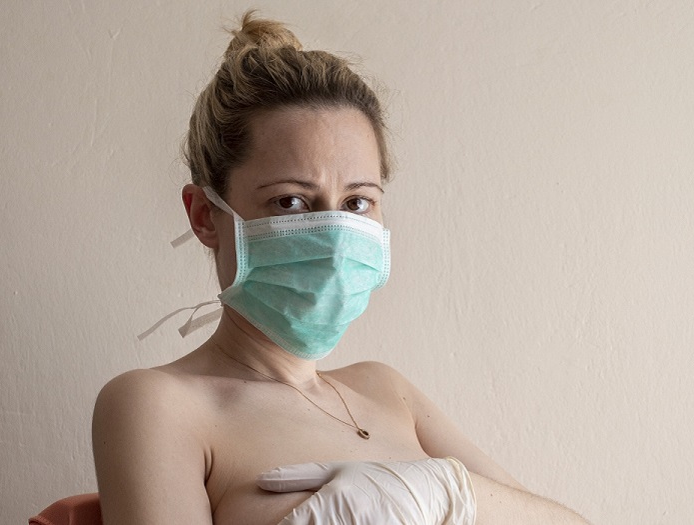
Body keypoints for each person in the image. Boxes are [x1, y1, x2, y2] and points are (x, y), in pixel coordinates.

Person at [92, 11, 590, 525]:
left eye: (356, 203)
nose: (332, 238)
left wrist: (442, 490)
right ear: (205, 216)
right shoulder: (158, 406)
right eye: (289, 202)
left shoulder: (385, 389)